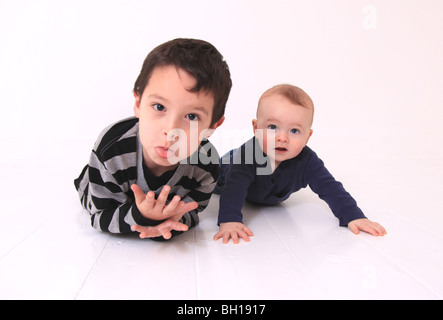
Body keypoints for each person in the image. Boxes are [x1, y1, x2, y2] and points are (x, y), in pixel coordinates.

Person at [74, 38, 231, 240]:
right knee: (93, 189)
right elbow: (100, 217)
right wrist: (142, 216)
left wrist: (166, 224)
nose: (171, 131)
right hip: (101, 185)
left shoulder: (206, 168)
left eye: (191, 117)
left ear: (212, 127)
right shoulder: (111, 152)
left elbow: (191, 213)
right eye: (159, 107)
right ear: (138, 103)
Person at [214, 84, 386, 244]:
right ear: (256, 128)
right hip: (225, 171)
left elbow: (329, 186)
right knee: (217, 171)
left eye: (294, 131)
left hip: (262, 190)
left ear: (307, 137)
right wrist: (230, 220)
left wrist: (353, 215)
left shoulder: (307, 161)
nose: (282, 138)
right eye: (273, 127)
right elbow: (234, 187)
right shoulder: (248, 155)